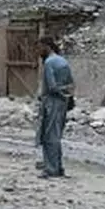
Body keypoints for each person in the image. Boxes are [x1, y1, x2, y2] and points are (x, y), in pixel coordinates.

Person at [35, 37, 75, 178]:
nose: (38, 51)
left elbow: (51, 86)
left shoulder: (49, 63)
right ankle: (58, 167)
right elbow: (70, 84)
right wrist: (67, 97)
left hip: (52, 102)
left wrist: (43, 96)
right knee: (56, 135)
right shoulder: (63, 61)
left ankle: (51, 169)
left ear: (47, 46)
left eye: (40, 48)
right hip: (62, 103)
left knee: (49, 136)